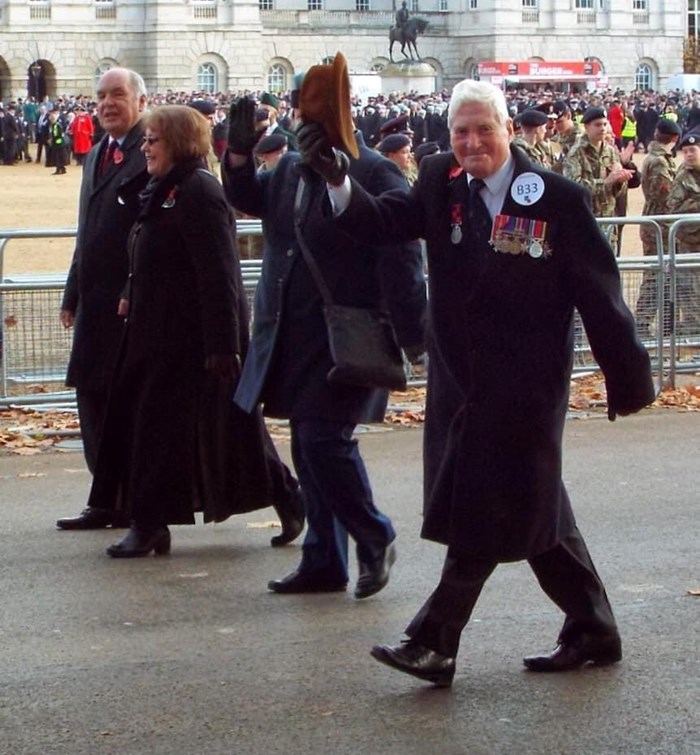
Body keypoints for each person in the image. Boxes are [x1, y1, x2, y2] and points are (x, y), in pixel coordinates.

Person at [297, 78, 655, 686]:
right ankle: (594, 627)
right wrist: (338, 180)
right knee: (537, 510)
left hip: (527, 390)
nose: (470, 143)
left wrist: (627, 380)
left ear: (507, 130)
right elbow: (384, 222)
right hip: (461, 385)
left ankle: (434, 641)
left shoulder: (555, 198)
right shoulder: (439, 182)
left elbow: (599, 294)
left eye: (482, 129)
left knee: (484, 505)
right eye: (460, 131)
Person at [222, 53, 426, 598]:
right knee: (307, 447)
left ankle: (374, 533)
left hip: (346, 331)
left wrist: (413, 332)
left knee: (322, 442)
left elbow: (401, 251)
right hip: (290, 329)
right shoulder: (289, 166)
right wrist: (238, 155)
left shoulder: (374, 170)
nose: (296, 122)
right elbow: (249, 200)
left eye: (306, 114)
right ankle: (324, 559)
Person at [79, 105, 302, 557]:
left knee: (213, 430)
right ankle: (154, 521)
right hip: (155, 333)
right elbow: (148, 247)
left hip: (192, 341)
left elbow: (219, 273)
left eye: (153, 141)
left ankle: (152, 523)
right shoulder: (167, 187)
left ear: (178, 142)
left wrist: (222, 345)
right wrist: (130, 288)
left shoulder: (199, 191)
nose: (145, 149)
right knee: (161, 429)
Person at [56, 68, 153, 529]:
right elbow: (87, 231)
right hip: (96, 305)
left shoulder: (151, 151)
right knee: (93, 401)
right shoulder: (97, 154)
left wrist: (135, 290)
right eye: (100, 97)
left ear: (140, 100)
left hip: (132, 304)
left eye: (117, 94)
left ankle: (134, 503)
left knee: (128, 409)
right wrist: (71, 292)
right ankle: (104, 499)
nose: (107, 104)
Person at [563, 106, 634, 249]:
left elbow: (617, 191)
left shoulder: (609, 151)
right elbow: (573, 188)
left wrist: (620, 181)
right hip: (585, 223)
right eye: (597, 125)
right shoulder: (576, 153)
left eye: (605, 124)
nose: (602, 128)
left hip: (608, 221)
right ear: (587, 127)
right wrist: (606, 182)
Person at [635, 118, 681, 337]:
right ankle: (642, 323)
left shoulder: (656, 157)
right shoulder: (660, 162)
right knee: (655, 276)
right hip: (660, 224)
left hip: (659, 223)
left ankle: (662, 323)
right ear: (675, 139)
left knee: (662, 275)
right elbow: (665, 194)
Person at [666, 127, 700, 336]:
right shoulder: (682, 177)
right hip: (690, 239)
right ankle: (693, 330)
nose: (688, 154)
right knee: (691, 288)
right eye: (685, 151)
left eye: (693, 150)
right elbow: (673, 208)